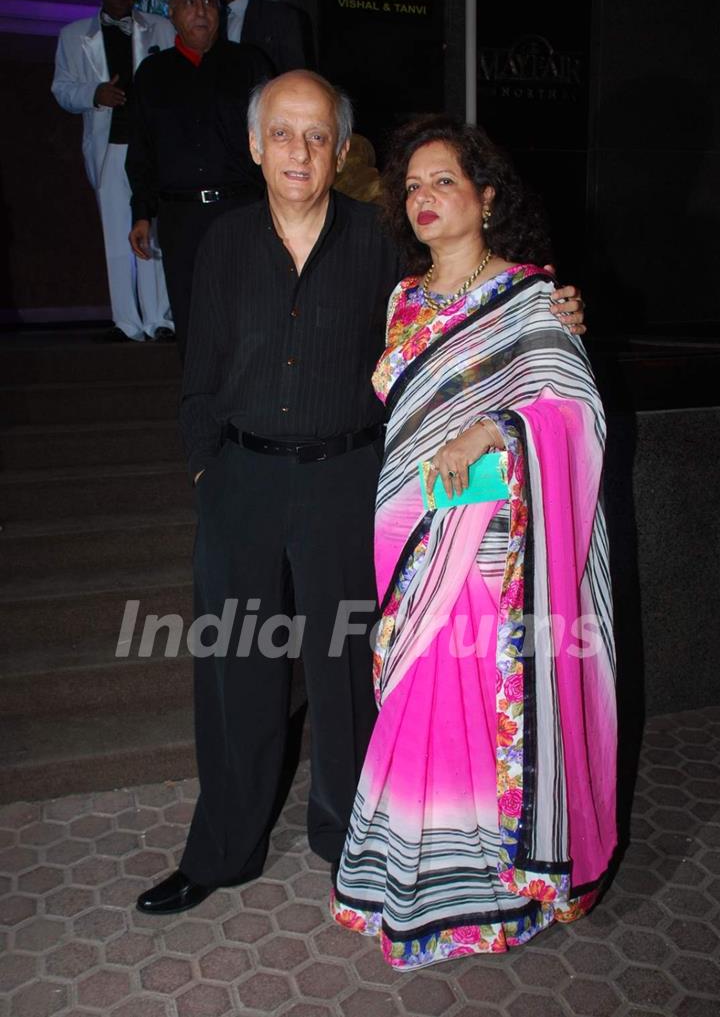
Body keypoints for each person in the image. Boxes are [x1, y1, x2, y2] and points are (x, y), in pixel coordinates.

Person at [135, 73, 587, 916]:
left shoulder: (384, 246)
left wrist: (554, 305)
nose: (298, 151)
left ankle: (346, 838)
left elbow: (466, 288)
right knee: (236, 670)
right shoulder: (221, 243)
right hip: (240, 480)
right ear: (254, 144)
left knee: (345, 671)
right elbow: (196, 376)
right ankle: (222, 848)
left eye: (317, 136)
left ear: (341, 152)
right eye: (282, 133)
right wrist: (208, 471)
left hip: (346, 480)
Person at [331, 117, 616, 969]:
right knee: (413, 691)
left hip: (488, 541)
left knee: (469, 697)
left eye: (442, 181)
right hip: (405, 526)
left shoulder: (531, 297)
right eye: (410, 186)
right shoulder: (402, 300)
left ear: (486, 197)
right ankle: (409, 870)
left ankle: (488, 887)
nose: (422, 198)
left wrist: (494, 427)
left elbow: (571, 410)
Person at [126, 0, 272, 359]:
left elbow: (275, 137)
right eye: (189, 2)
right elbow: (141, 150)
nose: (200, 11)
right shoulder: (152, 74)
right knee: (192, 323)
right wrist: (142, 213)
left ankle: (249, 414)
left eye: (209, 1)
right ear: (172, 12)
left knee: (249, 317)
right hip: (181, 218)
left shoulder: (249, 65)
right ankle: (199, 413)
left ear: (221, 11)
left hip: (243, 210)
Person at [52, 0, 175, 342]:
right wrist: (95, 93)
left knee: (152, 229)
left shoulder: (161, 27)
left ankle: (160, 318)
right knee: (116, 233)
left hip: (151, 147)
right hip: (110, 146)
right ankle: (127, 322)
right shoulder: (73, 36)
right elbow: (62, 90)